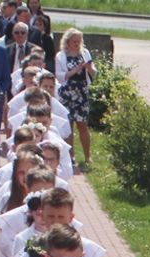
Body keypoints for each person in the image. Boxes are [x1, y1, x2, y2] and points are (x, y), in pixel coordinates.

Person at [54, 27, 92, 169]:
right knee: (68, 126)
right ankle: (71, 156)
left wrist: (89, 68)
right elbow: (59, 76)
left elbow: (93, 74)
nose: (77, 44)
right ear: (67, 42)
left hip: (81, 93)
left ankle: (88, 156)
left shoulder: (85, 53)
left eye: (79, 41)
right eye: (74, 41)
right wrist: (74, 70)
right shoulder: (61, 56)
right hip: (67, 92)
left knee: (83, 125)